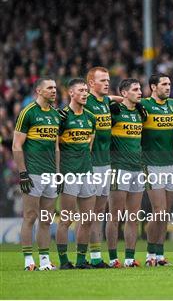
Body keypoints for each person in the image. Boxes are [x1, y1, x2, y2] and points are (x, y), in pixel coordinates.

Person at [141, 73, 173, 267]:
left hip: (171, 164)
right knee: (159, 211)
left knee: (166, 213)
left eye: (169, 83)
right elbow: (124, 100)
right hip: (151, 163)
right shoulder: (143, 105)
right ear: (153, 87)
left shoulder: (172, 105)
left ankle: (159, 255)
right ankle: (149, 253)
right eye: (164, 84)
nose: (168, 87)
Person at [13, 78, 61, 271]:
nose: (54, 91)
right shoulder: (28, 112)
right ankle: (28, 261)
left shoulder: (56, 114)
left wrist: (58, 173)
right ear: (38, 90)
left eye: (55, 88)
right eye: (50, 88)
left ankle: (44, 261)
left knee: (46, 219)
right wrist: (23, 173)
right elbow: (17, 145)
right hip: (33, 173)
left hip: (50, 174)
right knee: (30, 216)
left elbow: (56, 146)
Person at [55, 78, 97, 269]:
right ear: (71, 93)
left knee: (88, 218)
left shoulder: (90, 117)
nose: (85, 93)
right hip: (69, 172)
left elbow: (90, 144)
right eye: (81, 90)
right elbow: (55, 145)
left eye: (86, 90)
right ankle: (64, 261)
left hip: (87, 171)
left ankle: (81, 260)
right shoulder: (62, 116)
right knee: (67, 218)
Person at [106, 78, 146, 267]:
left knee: (133, 216)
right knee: (115, 215)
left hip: (137, 168)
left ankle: (130, 258)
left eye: (140, 89)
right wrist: (115, 101)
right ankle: (113, 258)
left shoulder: (140, 112)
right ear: (124, 93)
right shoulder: (114, 111)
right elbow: (95, 100)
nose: (140, 92)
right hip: (118, 167)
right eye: (136, 90)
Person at [83, 66, 121, 268]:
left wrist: (120, 100)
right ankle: (85, 257)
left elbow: (115, 98)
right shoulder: (85, 101)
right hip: (90, 164)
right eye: (103, 80)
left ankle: (96, 257)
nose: (107, 83)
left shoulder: (105, 101)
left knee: (98, 212)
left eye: (108, 79)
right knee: (88, 213)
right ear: (91, 84)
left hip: (105, 163)